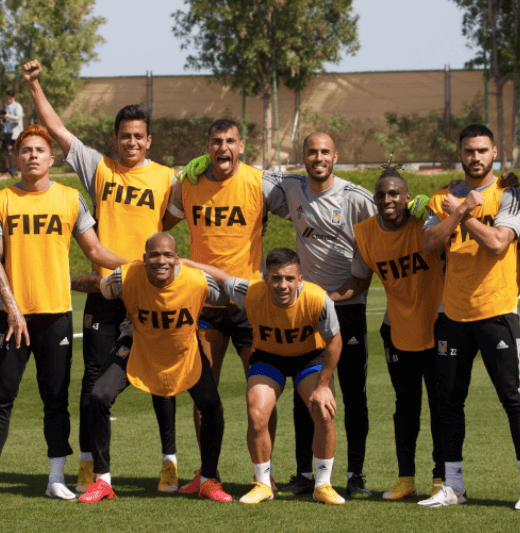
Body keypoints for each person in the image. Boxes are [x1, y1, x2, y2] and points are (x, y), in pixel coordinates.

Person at [21, 59, 183, 494]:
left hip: (150, 291)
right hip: (106, 292)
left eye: (138, 136)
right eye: (124, 136)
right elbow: (57, 132)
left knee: (161, 377)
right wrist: (35, 87)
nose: (131, 142)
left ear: (149, 140)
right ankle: (89, 463)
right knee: (93, 377)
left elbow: (170, 225)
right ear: (115, 139)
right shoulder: (99, 168)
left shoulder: (167, 178)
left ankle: (169, 462)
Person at [0, 125, 127, 502]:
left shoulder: (70, 199)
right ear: (17, 157)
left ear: (52, 159)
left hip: (56, 314)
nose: (33, 155)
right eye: (26, 150)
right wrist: (12, 308)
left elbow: (97, 253)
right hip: (10, 317)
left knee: (55, 399)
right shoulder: (0, 199)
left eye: (40, 149)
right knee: (0, 396)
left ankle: (57, 477)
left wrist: (138, 266)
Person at [165, 119, 287, 491]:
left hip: (251, 302)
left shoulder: (260, 182)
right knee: (203, 391)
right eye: (216, 141)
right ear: (207, 146)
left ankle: (263, 474)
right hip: (205, 302)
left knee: (263, 390)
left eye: (230, 141)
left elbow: (302, 208)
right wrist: (174, 179)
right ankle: (208, 474)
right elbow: (161, 221)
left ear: (242, 146)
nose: (223, 147)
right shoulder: (189, 183)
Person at [419, 124, 520, 510]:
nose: (475, 157)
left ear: (495, 152)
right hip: (453, 314)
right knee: (449, 401)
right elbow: (427, 245)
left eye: (482, 150)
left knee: (513, 400)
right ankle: (453, 486)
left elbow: (498, 244)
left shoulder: (510, 194)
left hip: (497, 311)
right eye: (469, 150)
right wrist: (460, 210)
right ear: (460, 153)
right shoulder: (442, 197)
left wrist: (464, 214)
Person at [77, 233, 232, 504]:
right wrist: (64, 282)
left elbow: (229, 295)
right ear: (145, 257)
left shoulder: (197, 280)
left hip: (181, 349)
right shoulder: (124, 276)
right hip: (137, 343)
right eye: (155, 255)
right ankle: (101, 480)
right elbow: (102, 287)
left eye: (168, 255)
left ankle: (207, 479)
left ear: (176, 258)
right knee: (98, 396)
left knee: (211, 405)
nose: (161, 261)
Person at [264, 132, 377, 498]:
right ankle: (304, 473)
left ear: (335, 156)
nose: (318, 157)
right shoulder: (291, 188)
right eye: (311, 151)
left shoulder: (357, 199)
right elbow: (247, 180)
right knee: (306, 393)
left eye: (325, 151)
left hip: (346, 308)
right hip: (306, 314)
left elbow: (379, 245)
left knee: (353, 394)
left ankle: (355, 474)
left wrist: (333, 296)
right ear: (303, 157)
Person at [188, 248, 345, 505]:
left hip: (308, 359)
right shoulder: (251, 291)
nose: (283, 285)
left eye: (289, 278)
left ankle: (323, 485)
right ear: (266, 278)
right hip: (269, 358)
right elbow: (220, 277)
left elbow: (334, 342)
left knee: (323, 410)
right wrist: (185, 261)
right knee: (257, 412)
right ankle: (263, 483)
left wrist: (324, 385)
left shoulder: (318, 298)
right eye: (276, 278)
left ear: (300, 279)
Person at [346, 165, 446, 501]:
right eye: (381, 194)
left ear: (406, 197)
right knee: (405, 407)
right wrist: (325, 297)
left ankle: (441, 479)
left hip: (437, 327)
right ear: (374, 199)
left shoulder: (426, 221)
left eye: (394, 194)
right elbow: (359, 281)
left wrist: (435, 200)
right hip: (397, 330)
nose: (387, 199)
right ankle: (406, 479)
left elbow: (459, 192)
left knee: (440, 406)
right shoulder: (366, 233)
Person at [0, 90, 24, 177]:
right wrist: (2, 119)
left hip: (16, 133)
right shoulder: (5, 106)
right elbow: (4, 117)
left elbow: (18, 118)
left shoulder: (18, 106)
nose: (8, 99)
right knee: (7, 152)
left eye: (10, 97)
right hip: (7, 132)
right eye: (7, 97)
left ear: (13, 97)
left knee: (16, 152)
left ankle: (20, 170)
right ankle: (9, 171)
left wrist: (8, 116)